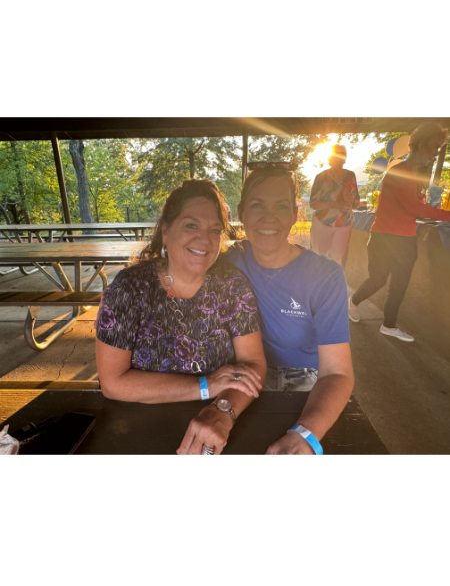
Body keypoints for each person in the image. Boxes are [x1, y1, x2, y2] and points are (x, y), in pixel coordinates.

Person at [96, 179, 267, 456]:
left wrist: (224, 410)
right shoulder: (129, 287)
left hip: (217, 433)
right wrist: (205, 386)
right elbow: (112, 382)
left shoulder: (232, 285)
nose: (205, 239)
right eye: (191, 225)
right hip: (135, 429)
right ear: (165, 230)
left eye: (214, 230)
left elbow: (254, 363)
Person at [228, 165, 354, 456]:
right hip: (242, 378)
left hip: (307, 382)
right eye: (257, 205)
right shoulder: (230, 262)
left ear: (295, 214)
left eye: (281, 206)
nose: (268, 217)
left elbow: (337, 372)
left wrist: (306, 434)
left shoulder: (326, 275)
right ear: (241, 212)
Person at [349, 123, 450, 342]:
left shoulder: (412, 173)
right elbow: (414, 208)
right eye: (434, 147)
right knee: (378, 280)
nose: (435, 153)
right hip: (384, 238)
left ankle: (389, 325)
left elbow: (413, 206)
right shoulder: (401, 171)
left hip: (405, 239)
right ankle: (352, 302)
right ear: (421, 145)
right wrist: (447, 215)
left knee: (400, 284)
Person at [309, 144, 360, 267]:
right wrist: (336, 204)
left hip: (344, 223)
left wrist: (352, 199)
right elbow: (313, 204)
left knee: (340, 260)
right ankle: (317, 285)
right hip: (322, 222)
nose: (340, 157)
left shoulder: (350, 176)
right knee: (318, 258)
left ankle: (336, 285)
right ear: (330, 158)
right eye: (337, 154)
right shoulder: (322, 177)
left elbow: (356, 202)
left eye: (342, 154)